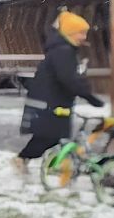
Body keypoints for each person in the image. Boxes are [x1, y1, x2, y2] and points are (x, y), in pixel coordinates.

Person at [15, 10, 103, 172]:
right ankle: (24, 159)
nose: (84, 37)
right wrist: (89, 96)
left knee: (53, 136)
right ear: (70, 32)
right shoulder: (63, 51)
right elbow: (68, 78)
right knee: (51, 135)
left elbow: (69, 77)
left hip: (51, 99)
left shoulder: (64, 48)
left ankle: (38, 162)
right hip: (49, 100)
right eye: (81, 33)